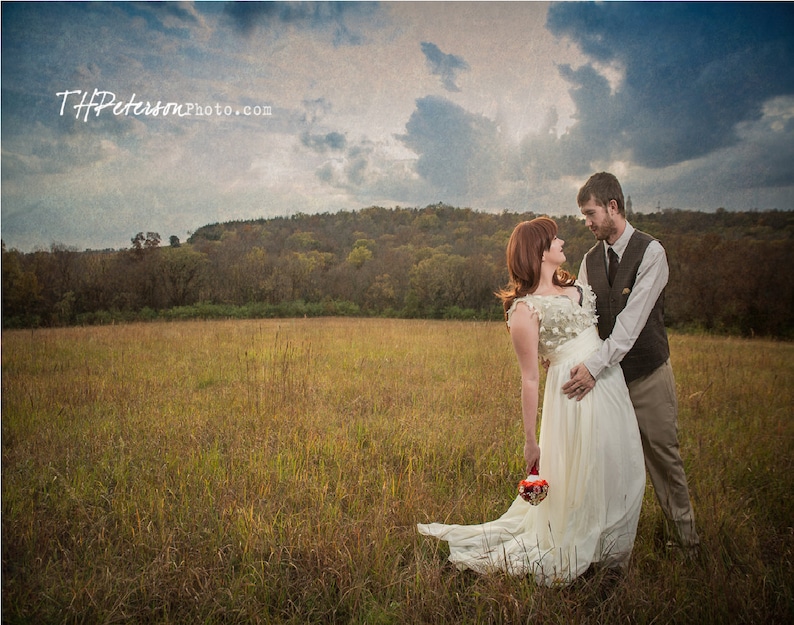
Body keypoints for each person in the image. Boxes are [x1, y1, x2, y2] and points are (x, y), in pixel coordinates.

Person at [417, 217, 645, 585]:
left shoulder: (577, 288)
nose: (561, 241)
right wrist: (530, 440)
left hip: (608, 383)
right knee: (581, 470)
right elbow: (529, 377)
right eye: (554, 239)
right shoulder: (524, 309)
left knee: (619, 462)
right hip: (571, 395)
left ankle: (610, 548)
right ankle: (590, 554)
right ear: (537, 251)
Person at [562, 172, 700, 549]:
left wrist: (592, 366)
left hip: (647, 374)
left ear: (613, 206)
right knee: (608, 462)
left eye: (590, 213)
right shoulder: (589, 261)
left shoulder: (651, 252)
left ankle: (686, 540)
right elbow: (583, 320)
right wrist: (565, 354)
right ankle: (612, 540)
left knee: (663, 455)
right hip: (607, 383)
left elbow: (630, 324)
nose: (587, 223)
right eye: (583, 216)